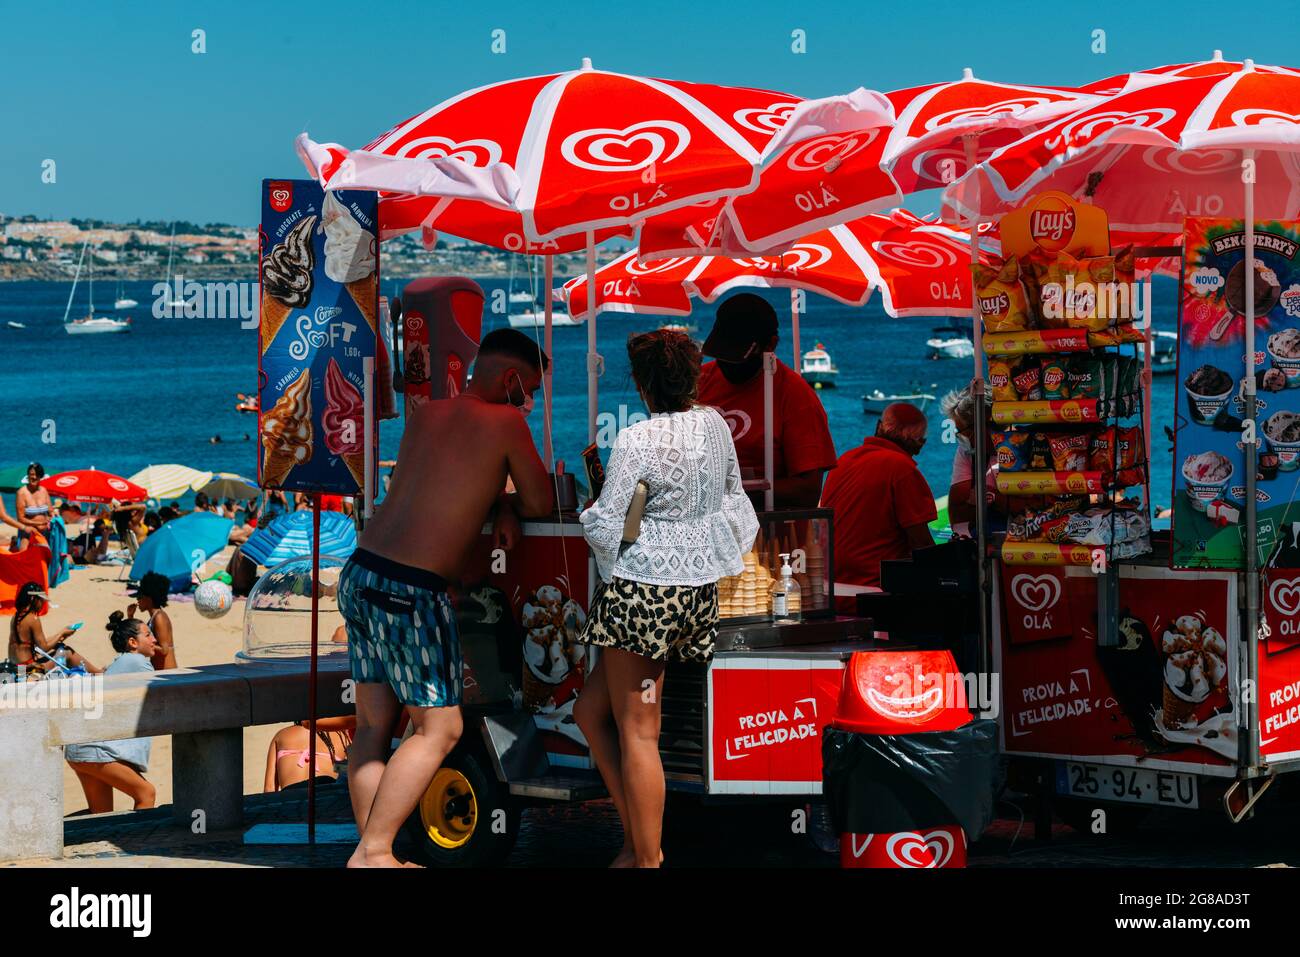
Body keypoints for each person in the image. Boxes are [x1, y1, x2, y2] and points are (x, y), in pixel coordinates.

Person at [336, 327, 553, 868]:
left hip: (362, 573)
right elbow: (542, 498)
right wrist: (508, 504)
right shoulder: (506, 421)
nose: (528, 401)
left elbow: (439, 484)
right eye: (528, 389)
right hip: (412, 590)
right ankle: (376, 852)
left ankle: (372, 852)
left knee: (372, 726)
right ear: (510, 379)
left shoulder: (427, 414)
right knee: (442, 726)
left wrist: (498, 503)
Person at [574, 330, 759, 868]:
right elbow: (731, 499)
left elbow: (608, 526)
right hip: (693, 592)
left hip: (642, 592)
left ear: (640, 382)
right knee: (592, 712)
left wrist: (591, 511)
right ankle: (636, 841)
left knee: (638, 733)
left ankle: (648, 858)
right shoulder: (714, 425)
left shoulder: (637, 439)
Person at [697, 294, 837, 508]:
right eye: (721, 355)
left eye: (735, 357)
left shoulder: (795, 396)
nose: (726, 364)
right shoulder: (700, 381)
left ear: (770, 344)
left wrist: (733, 492)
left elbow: (808, 491)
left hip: (770, 535)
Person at [820, 403, 936, 592]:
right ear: (918, 443)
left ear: (878, 426)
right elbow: (921, 544)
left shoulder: (843, 461)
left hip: (831, 589)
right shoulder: (902, 470)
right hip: (875, 590)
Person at [65, 614, 158, 812]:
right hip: (94, 750)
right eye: (148, 635)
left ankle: (60, 833)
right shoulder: (137, 661)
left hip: (80, 747)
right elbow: (170, 679)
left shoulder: (121, 663)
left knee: (100, 816)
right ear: (133, 642)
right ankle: (143, 843)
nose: (154, 640)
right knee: (146, 793)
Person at [940, 387, 1004, 538]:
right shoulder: (967, 452)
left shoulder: (1022, 445)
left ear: (985, 424)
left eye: (964, 431)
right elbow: (957, 514)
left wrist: (984, 499)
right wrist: (997, 499)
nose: (962, 438)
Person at [6, 582, 101, 675]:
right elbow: (44, 647)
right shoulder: (33, 618)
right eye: (41, 600)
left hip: (16, 666)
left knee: (58, 645)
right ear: (32, 599)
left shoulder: (16, 616)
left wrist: (61, 634)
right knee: (66, 651)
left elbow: (37, 644)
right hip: (27, 669)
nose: (42, 604)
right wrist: (62, 633)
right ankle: (98, 672)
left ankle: (96, 672)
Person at [262, 716, 355, 792]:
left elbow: (269, 788)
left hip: (290, 793)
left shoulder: (281, 735)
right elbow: (349, 772)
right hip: (326, 787)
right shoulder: (341, 737)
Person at [126, 571, 177, 671]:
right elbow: (138, 633)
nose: (137, 601)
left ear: (148, 599)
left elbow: (164, 650)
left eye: (139, 597)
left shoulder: (159, 617)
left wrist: (142, 645)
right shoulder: (154, 617)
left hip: (167, 672)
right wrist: (130, 616)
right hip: (161, 671)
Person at [14, 463, 53, 552]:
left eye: (37, 475)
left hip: (45, 531)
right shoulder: (21, 493)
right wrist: (37, 524)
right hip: (29, 532)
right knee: (24, 555)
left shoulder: (44, 491)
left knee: (46, 560)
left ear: (41, 476)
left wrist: (52, 518)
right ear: (28, 476)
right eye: (32, 474)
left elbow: (51, 511)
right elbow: (20, 518)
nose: (34, 477)